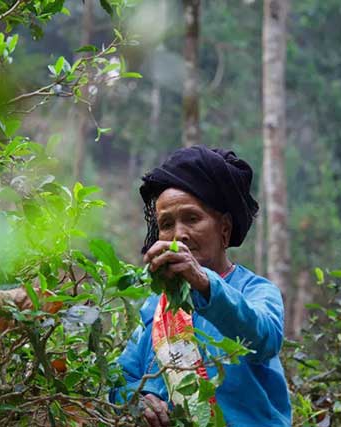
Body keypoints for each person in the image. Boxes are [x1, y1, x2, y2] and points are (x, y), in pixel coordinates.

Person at [109, 146, 291, 427]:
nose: (179, 234)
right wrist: (137, 398)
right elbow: (120, 380)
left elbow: (264, 337)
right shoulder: (155, 305)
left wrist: (205, 285)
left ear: (224, 228)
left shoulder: (256, 291)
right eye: (166, 224)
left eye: (192, 218)